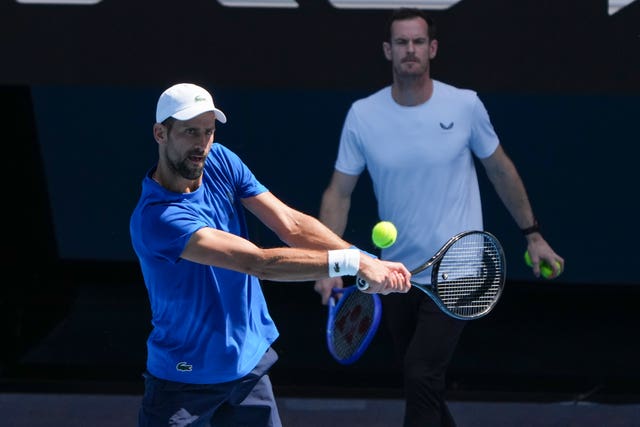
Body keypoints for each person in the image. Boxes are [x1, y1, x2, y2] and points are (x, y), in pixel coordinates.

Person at [314, 8, 564, 427]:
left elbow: (500, 169)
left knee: (420, 372)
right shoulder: (363, 115)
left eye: (417, 42)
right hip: (394, 273)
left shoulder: (464, 106)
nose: (409, 50)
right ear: (387, 51)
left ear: (431, 49)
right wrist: (328, 262)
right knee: (421, 383)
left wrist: (532, 234)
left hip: (459, 270)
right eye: (400, 42)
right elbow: (339, 193)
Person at [129, 82, 412, 427]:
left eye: (208, 131)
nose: (202, 144)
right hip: (183, 383)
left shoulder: (220, 161)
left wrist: (363, 257)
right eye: (190, 132)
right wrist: (355, 263)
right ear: (161, 133)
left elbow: (290, 224)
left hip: (249, 371)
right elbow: (257, 263)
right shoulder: (158, 218)